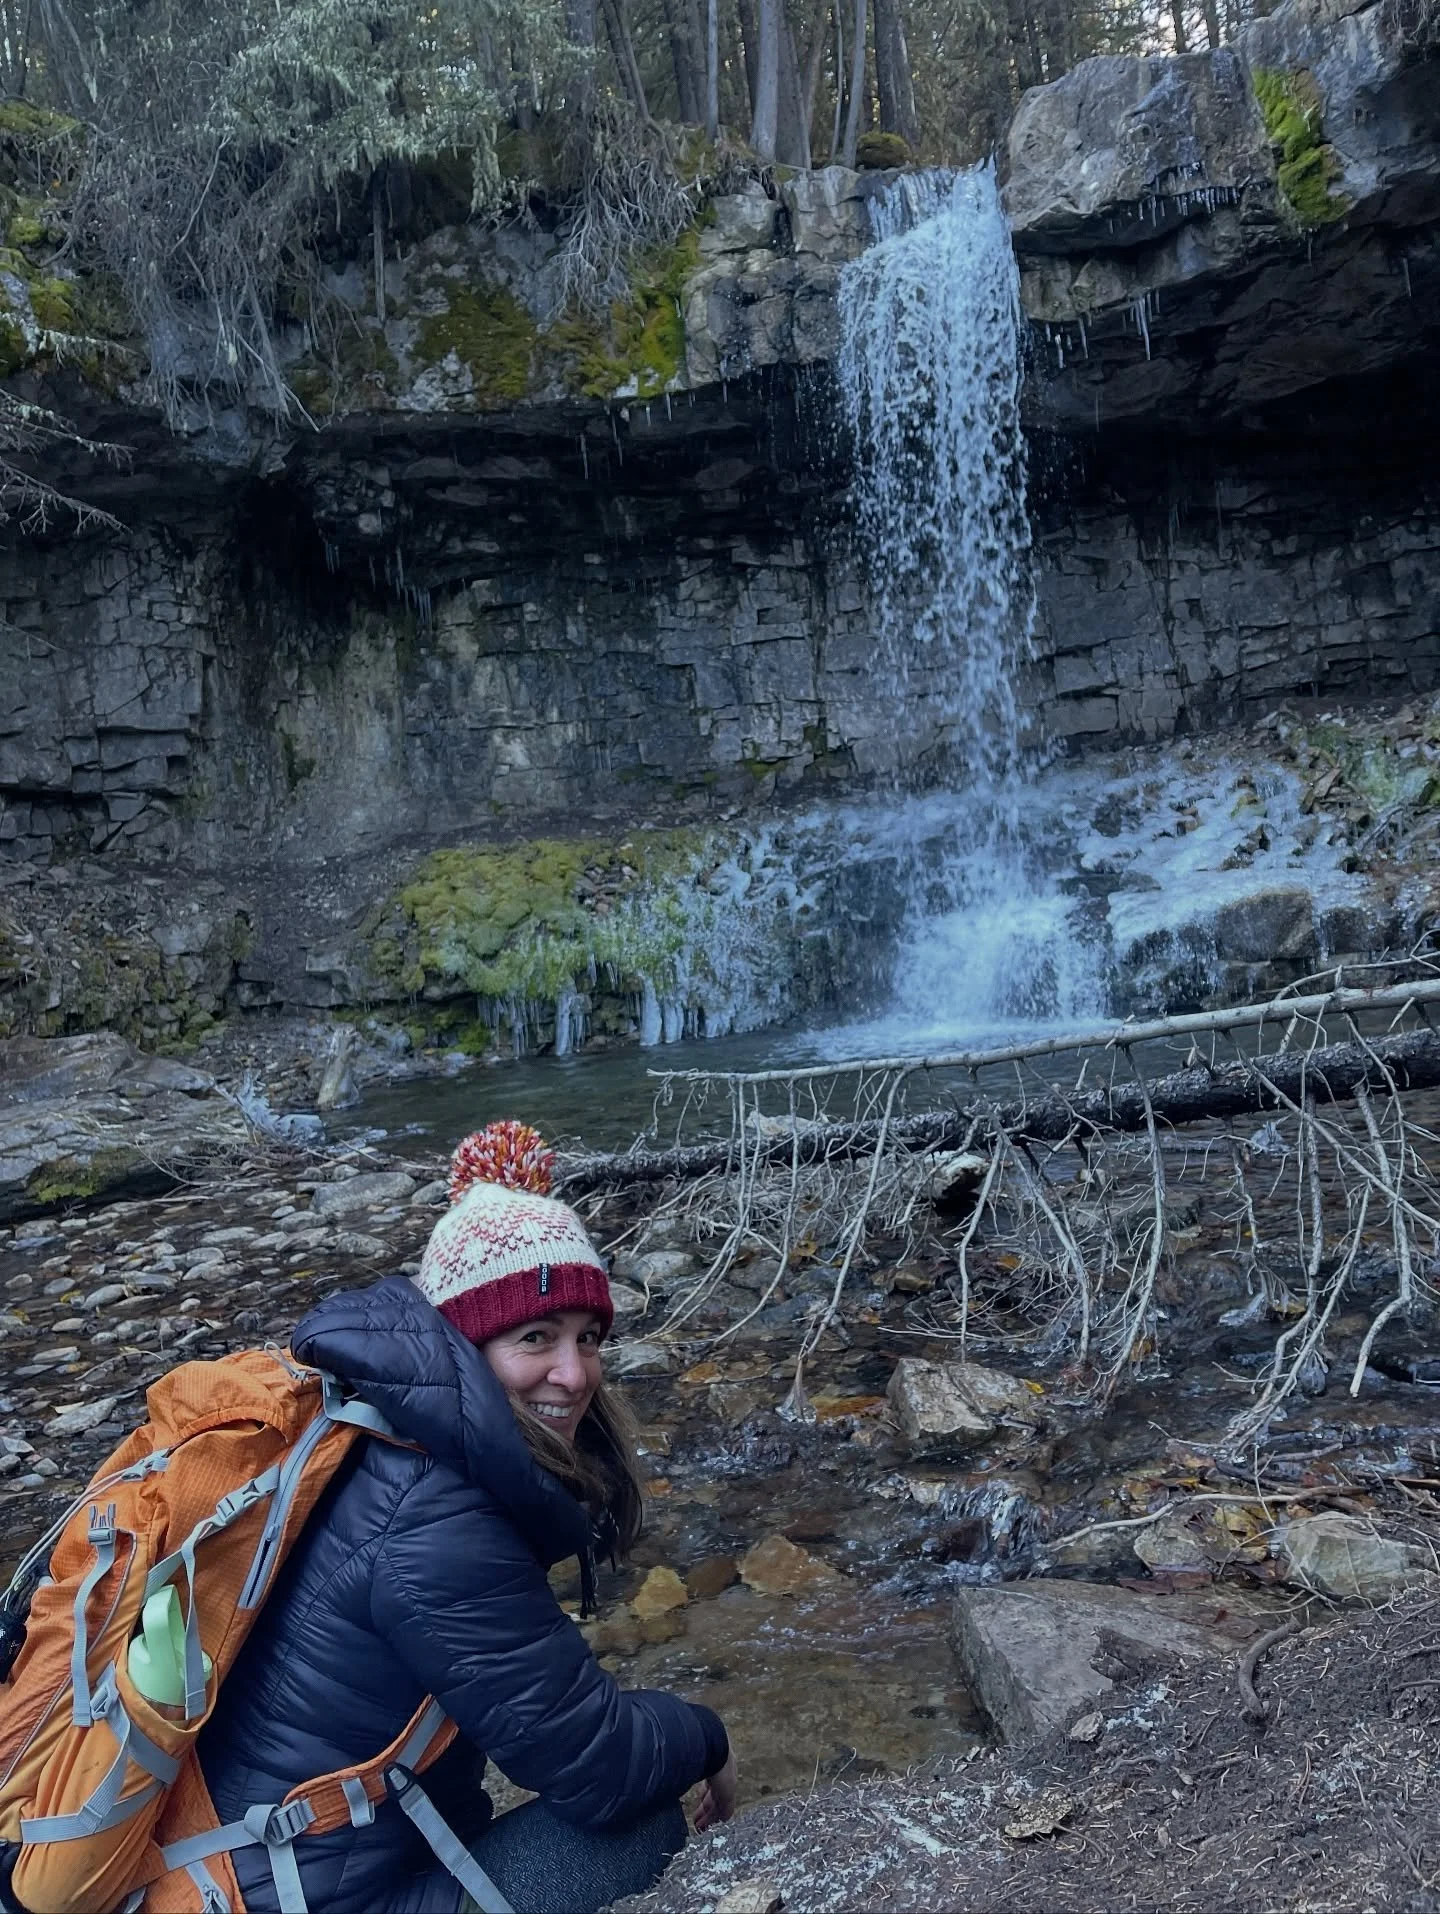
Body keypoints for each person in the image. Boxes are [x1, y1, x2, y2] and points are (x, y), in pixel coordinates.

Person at [197, 1121, 736, 1914]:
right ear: (464, 1345)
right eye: (536, 1337)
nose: (574, 1373)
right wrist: (708, 1736)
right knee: (638, 1825)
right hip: (295, 1900)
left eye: (589, 1338)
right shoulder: (435, 1521)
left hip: (263, 1860)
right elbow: (602, 1772)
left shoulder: (378, 1437)